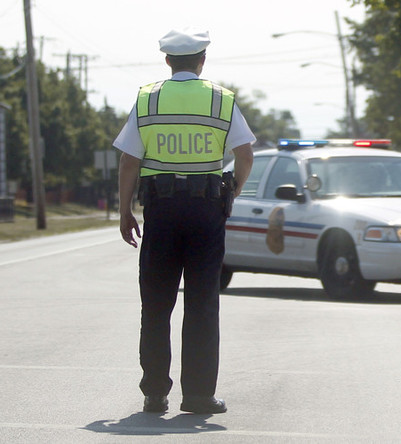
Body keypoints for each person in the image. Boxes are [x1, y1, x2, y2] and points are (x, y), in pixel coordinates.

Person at [113, 28, 255, 415]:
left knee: (156, 303)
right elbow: (244, 155)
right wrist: (233, 192)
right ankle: (197, 396)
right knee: (202, 304)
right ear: (202, 60)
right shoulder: (221, 100)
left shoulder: (148, 99)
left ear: (167, 61)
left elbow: (129, 160)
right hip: (206, 213)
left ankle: (155, 394)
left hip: (161, 212)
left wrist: (125, 211)